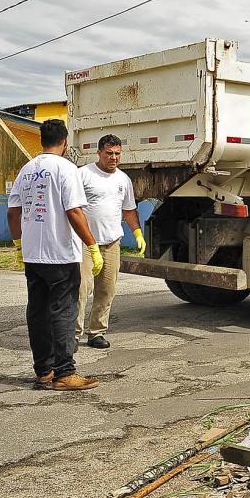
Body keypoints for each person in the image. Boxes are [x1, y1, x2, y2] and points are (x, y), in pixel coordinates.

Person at [6, 119, 103, 391]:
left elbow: (13, 212)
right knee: (63, 311)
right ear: (64, 141)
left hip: (33, 255)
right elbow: (74, 211)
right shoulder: (66, 168)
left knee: (37, 311)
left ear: (41, 141)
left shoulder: (26, 170)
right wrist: (92, 246)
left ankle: (43, 371)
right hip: (60, 255)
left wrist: (18, 245)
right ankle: (65, 373)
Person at [76, 134, 145, 350]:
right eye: (109, 153)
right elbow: (72, 208)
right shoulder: (83, 175)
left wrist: (137, 233)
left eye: (117, 153)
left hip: (111, 243)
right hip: (85, 244)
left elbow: (129, 210)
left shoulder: (123, 179)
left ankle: (96, 333)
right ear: (98, 153)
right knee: (80, 289)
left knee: (106, 290)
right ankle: (72, 335)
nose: (113, 158)